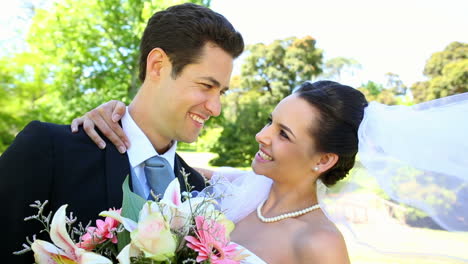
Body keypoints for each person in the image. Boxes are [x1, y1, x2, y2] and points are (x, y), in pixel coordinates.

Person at [75, 80, 468, 263]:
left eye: (283, 134)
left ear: (323, 160)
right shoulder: (230, 187)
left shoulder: (319, 245)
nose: (262, 135)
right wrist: (115, 119)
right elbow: (152, 159)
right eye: (269, 121)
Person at [0, 3, 244, 263]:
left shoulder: (200, 194)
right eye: (206, 85)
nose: (216, 108)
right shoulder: (49, 150)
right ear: (158, 65)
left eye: (221, 93)